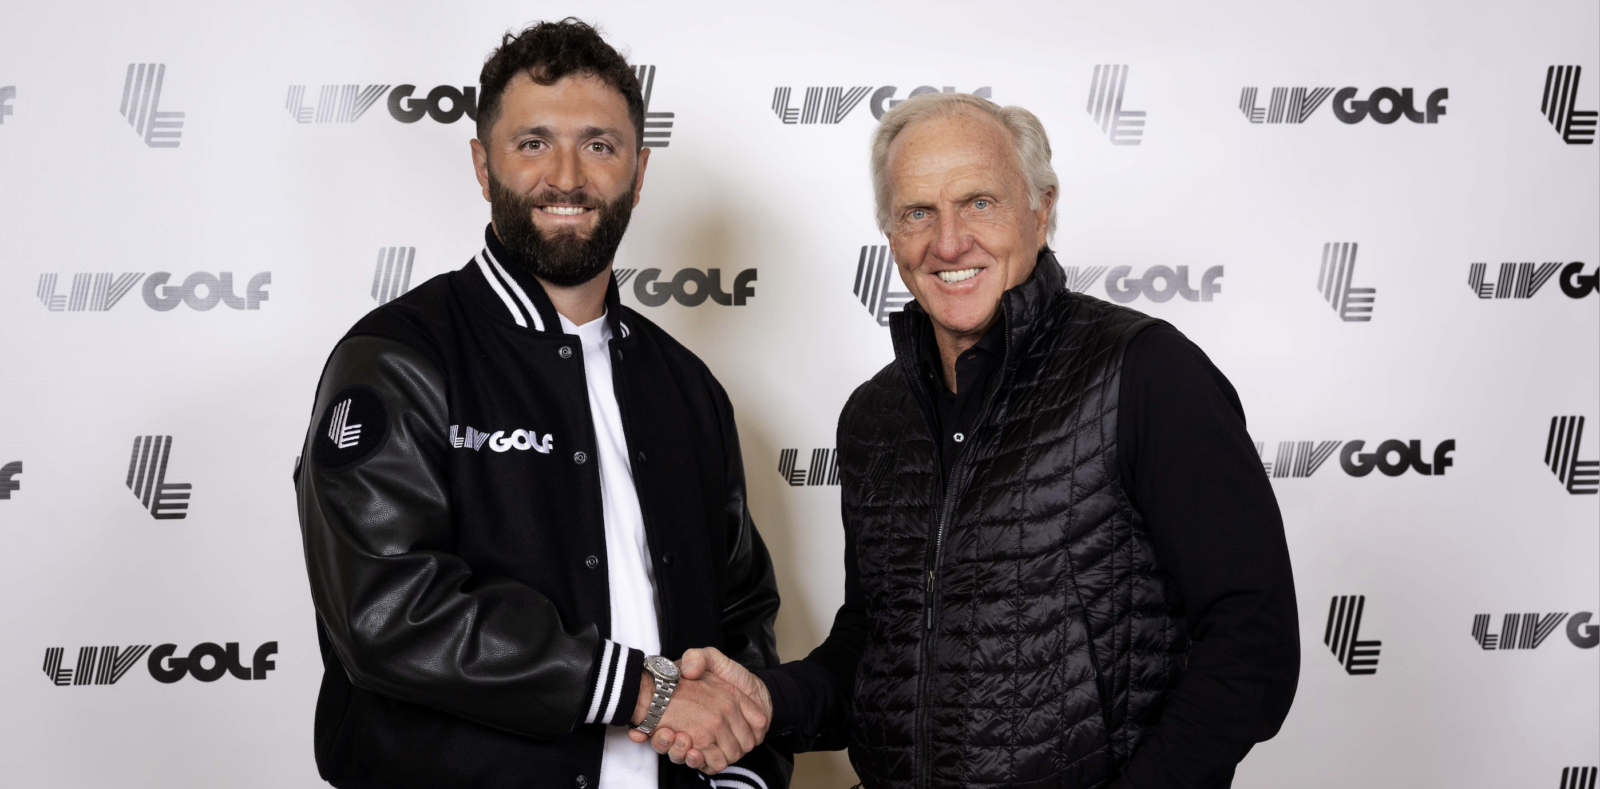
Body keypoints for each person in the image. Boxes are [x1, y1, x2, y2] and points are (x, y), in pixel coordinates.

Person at [658, 92, 1301, 788]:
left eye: (979, 203)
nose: (948, 242)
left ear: (1041, 210)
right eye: (917, 212)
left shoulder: (1144, 370)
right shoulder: (874, 416)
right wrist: (765, 699)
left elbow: (1252, 641)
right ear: (890, 234)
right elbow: (878, 648)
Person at [293, 19, 786, 789]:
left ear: (639, 170)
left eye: (599, 145)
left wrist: (741, 774)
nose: (567, 176)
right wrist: (640, 691)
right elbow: (387, 613)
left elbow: (743, 612)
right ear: (482, 165)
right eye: (533, 143)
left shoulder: (686, 385)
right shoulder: (397, 358)